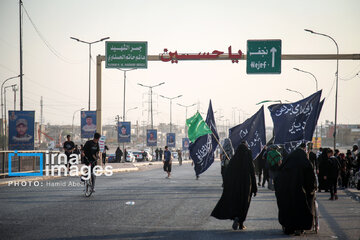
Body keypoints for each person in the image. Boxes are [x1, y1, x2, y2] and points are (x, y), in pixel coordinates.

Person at [211, 143, 257, 230]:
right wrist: (255, 188)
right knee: (244, 204)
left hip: (235, 187)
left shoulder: (234, 161)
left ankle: (236, 217)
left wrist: (227, 185)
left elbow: (227, 174)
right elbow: (252, 174)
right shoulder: (248, 161)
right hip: (246, 186)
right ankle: (241, 222)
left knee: (236, 202)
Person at [275, 143, 316, 236]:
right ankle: (300, 227)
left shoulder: (287, 161)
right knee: (303, 205)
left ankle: (289, 227)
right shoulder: (305, 162)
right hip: (300, 191)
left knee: (287, 206)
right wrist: (311, 190)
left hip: (285, 191)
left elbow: (278, 176)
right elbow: (310, 179)